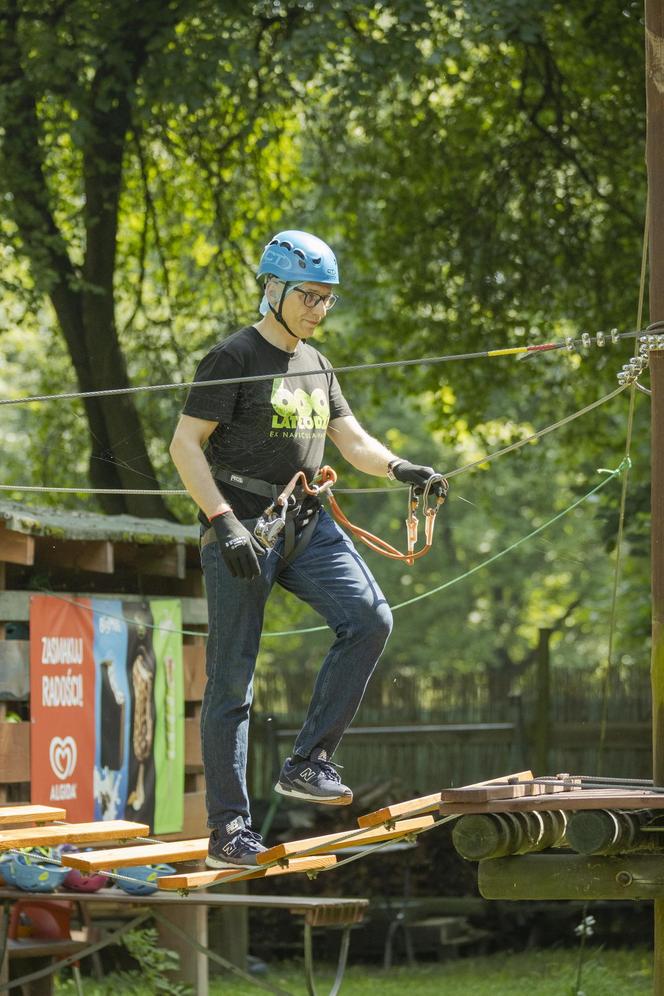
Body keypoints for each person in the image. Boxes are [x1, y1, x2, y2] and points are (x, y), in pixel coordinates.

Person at [169, 230, 447, 868]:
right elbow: (186, 445)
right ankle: (229, 832)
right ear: (273, 290)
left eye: (327, 299)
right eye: (309, 297)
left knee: (371, 618)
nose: (319, 309)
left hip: (305, 521)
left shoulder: (317, 364)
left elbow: (351, 441)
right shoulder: (232, 357)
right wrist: (221, 521)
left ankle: (308, 761)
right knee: (232, 681)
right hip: (241, 526)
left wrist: (403, 468)